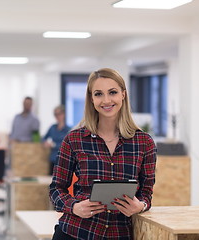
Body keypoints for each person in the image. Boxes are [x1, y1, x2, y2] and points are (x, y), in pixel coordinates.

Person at [49, 68, 157, 239]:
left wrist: (141, 206)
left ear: (123, 94)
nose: (106, 100)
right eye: (98, 94)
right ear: (91, 99)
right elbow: (56, 189)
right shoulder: (74, 139)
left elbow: (146, 193)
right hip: (76, 232)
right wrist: (74, 206)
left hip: (119, 233)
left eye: (112, 92)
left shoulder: (144, 142)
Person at [42, 105, 71, 175]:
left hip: (63, 161)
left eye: (59, 114)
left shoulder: (68, 130)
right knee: (51, 182)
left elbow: (68, 146)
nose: (57, 116)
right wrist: (45, 143)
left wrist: (54, 145)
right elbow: (43, 138)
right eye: (55, 114)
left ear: (63, 114)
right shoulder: (52, 127)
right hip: (53, 159)